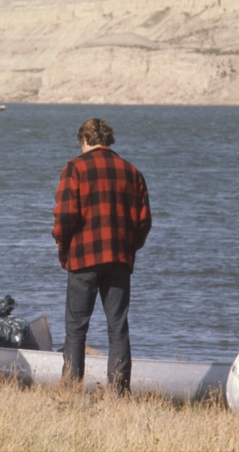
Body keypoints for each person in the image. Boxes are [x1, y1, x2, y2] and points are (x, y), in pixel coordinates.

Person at [53, 117, 152, 393]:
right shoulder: (132, 172)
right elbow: (144, 221)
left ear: (84, 141)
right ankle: (119, 391)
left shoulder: (75, 168)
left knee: (76, 327)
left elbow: (64, 217)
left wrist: (64, 249)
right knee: (118, 326)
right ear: (108, 140)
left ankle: (71, 389)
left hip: (83, 257)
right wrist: (130, 248)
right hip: (119, 258)